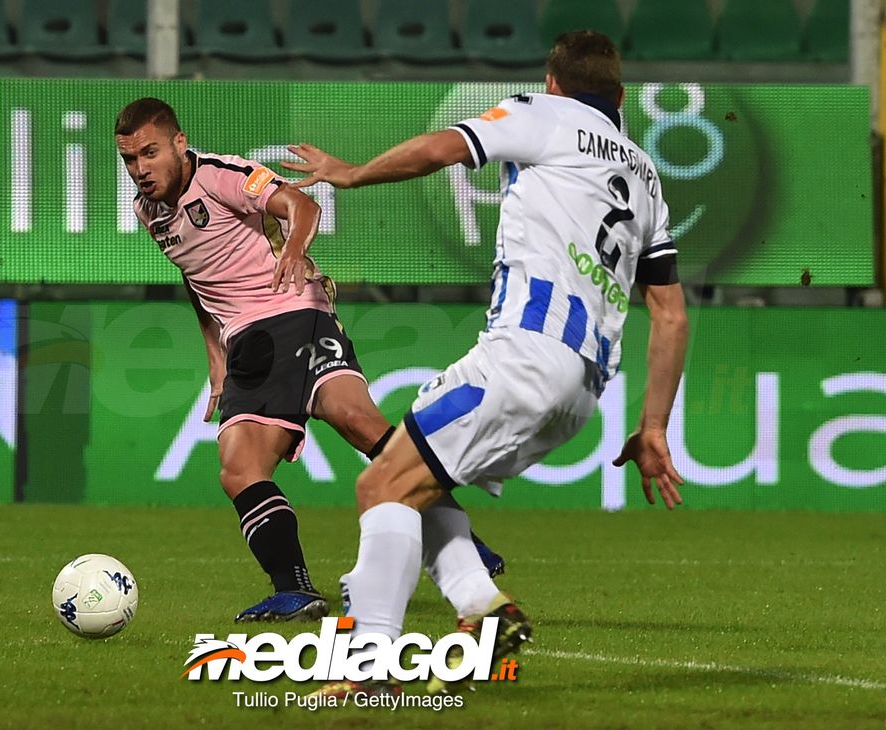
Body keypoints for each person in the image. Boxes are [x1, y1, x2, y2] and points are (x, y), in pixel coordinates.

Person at [283, 30, 688, 695]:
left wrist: (350, 174)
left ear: (554, 83)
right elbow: (670, 313)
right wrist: (653, 425)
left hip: (526, 353)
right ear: (619, 97)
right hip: (581, 393)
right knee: (413, 481)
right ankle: (482, 607)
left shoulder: (539, 112)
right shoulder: (646, 177)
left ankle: (368, 670)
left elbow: (444, 148)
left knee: (379, 488)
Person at [114, 98, 507, 623]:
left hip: (285, 316)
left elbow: (304, 206)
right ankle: (462, 544)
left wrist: (295, 249)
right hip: (270, 331)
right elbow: (197, 275)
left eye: (149, 153)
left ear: (179, 143)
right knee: (360, 423)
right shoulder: (150, 210)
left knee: (241, 468)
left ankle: (294, 587)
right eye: (129, 160)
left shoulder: (222, 175)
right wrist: (215, 355)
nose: (140, 170)